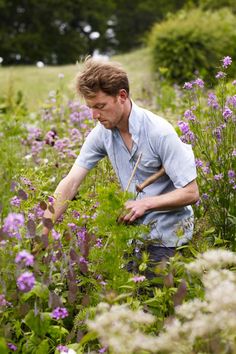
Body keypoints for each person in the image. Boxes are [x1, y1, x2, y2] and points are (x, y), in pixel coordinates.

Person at [43, 58, 199, 278]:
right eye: (90, 108)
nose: (94, 116)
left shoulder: (158, 132)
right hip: (131, 236)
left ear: (122, 96)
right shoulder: (102, 133)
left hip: (168, 238)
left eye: (100, 106)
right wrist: (45, 228)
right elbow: (71, 182)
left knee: (157, 307)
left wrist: (145, 203)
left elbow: (191, 192)